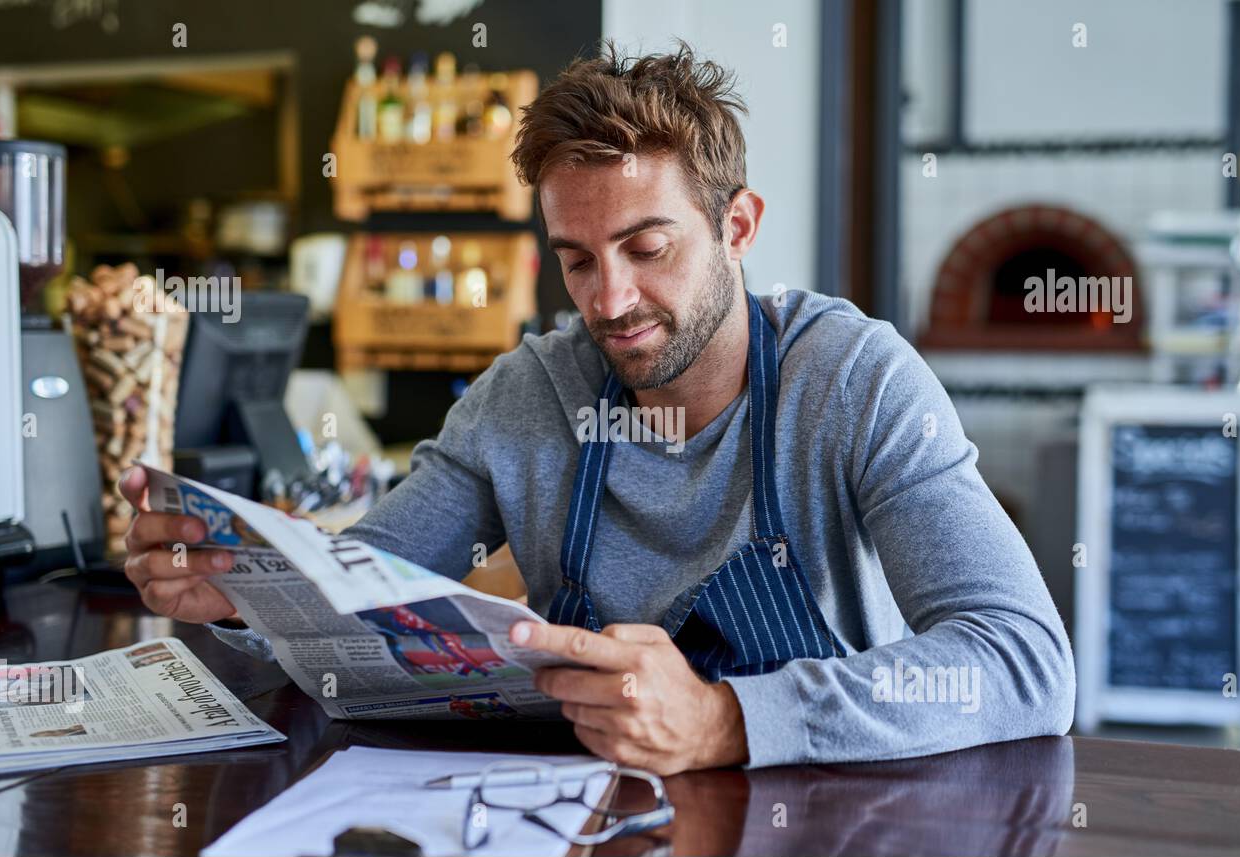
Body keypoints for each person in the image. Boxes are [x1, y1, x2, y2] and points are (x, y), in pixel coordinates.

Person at [119, 42, 1075, 775]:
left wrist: (727, 721)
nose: (608, 300)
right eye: (576, 258)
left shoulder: (855, 381)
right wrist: (250, 593)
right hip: (582, 816)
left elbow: (1024, 661)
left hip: (819, 816)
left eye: (647, 247)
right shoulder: (525, 397)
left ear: (737, 227)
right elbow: (374, 595)